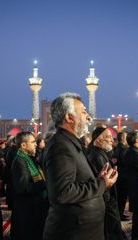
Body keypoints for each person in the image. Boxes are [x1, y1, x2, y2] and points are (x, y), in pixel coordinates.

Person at [42, 92, 118, 240]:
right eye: (83, 112)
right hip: (74, 232)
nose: (88, 117)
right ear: (69, 117)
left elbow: (74, 181)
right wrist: (101, 184)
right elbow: (63, 192)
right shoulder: (61, 146)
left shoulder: (69, 143)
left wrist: (97, 179)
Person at [11, 132, 48, 240]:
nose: (35, 144)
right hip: (27, 210)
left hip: (34, 207)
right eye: (33, 142)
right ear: (23, 145)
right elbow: (23, 188)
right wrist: (44, 183)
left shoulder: (29, 159)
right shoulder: (20, 161)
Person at [88, 127, 122, 240]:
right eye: (108, 137)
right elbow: (102, 184)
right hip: (107, 205)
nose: (111, 140)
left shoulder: (101, 153)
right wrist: (110, 205)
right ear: (99, 140)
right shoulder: (97, 156)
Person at [114, 131, 130, 221]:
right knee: (122, 197)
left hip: (119, 175)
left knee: (120, 196)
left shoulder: (118, 148)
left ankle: (120, 213)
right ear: (123, 138)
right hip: (123, 176)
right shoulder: (123, 149)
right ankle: (120, 214)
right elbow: (125, 163)